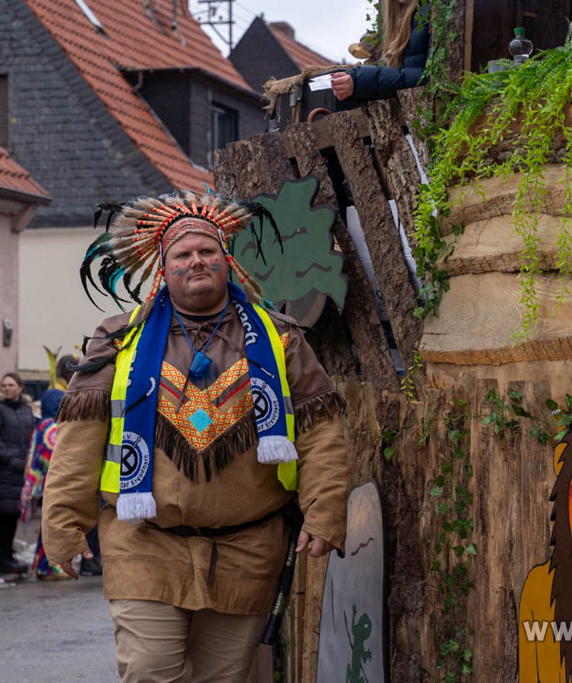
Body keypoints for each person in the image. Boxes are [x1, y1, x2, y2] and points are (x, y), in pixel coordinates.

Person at [43, 191, 349, 682]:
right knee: (150, 671)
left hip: (247, 548)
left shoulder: (280, 338)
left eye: (208, 251)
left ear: (227, 261)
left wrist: (324, 509)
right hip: (144, 543)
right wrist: (63, 524)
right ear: (164, 270)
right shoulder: (119, 339)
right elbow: (79, 439)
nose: (197, 260)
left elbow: (321, 432)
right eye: (183, 254)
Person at [331, 0, 430, 103]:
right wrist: (352, 87)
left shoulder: (432, 11)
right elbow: (395, 82)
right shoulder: (400, 18)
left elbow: (430, 78)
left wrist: (360, 81)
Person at [0, 372, 35, 575]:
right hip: (5, 469)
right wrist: (8, 459)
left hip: (22, 469)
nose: (7, 388)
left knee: (13, 513)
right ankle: (2, 558)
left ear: (20, 387)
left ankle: (7, 554)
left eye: (11, 385)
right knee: (5, 513)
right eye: (4, 385)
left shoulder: (26, 410)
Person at [19, 388, 71, 581]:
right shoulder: (52, 428)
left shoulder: (43, 425)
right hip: (56, 485)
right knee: (54, 526)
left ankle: (46, 564)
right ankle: (48, 567)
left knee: (50, 526)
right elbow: (53, 457)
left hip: (48, 486)